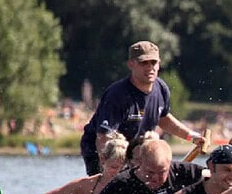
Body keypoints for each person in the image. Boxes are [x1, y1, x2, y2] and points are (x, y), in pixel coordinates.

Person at [79, 41, 206, 175]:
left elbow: (163, 119)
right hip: (101, 150)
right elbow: (103, 137)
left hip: (134, 151)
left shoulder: (161, 89)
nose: (150, 67)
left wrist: (192, 137)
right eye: (144, 63)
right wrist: (109, 171)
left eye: (153, 62)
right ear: (131, 64)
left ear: (159, 64)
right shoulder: (117, 95)